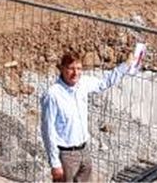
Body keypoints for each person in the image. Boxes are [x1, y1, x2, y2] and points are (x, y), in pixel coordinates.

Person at [40, 46, 144, 182]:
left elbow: (104, 82)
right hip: (66, 155)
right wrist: (55, 164)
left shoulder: (82, 84)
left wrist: (126, 65)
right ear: (62, 69)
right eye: (71, 68)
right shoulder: (53, 95)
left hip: (84, 150)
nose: (75, 73)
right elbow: (48, 131)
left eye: (78, 69)